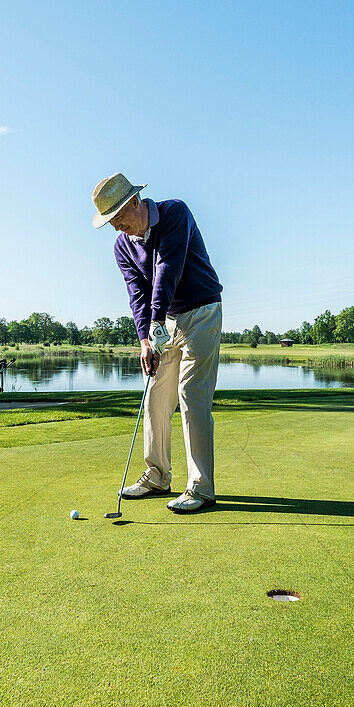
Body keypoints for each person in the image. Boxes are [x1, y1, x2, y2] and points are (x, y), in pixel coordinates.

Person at [91, 173, 223, 513]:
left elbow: (167, 270)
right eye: (113, 225)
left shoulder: (176, 213)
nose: (120, 229)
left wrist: (154, 324)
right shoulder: (122, 246)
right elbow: (137, 294)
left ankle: (200, 487)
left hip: (202, 312)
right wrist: (144, 341)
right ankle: (157, 475)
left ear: (135, 203)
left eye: (120, 221)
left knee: (190, 394)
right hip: (164, 321)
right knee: (155, 395)